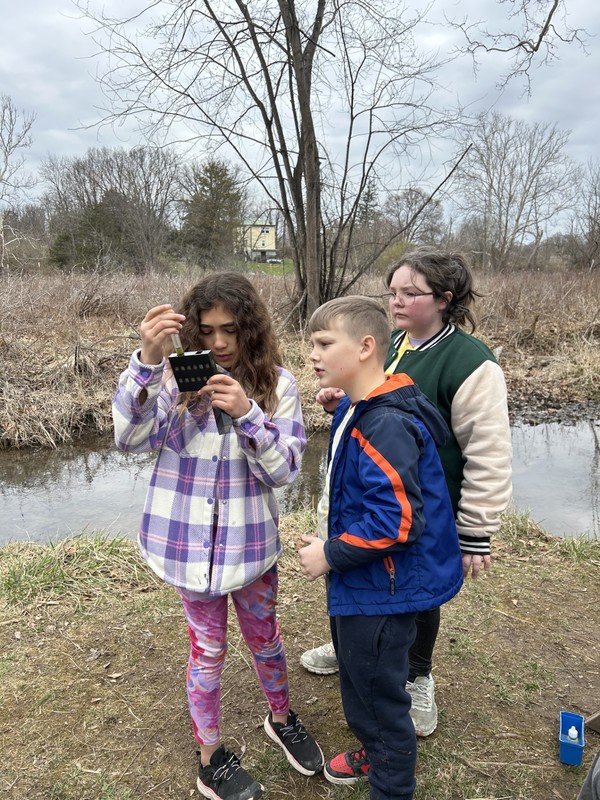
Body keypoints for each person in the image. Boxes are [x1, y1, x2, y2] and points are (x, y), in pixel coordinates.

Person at [112, 272, 323, 800]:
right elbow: (128, 439)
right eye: (206, 331)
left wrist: (248, 415)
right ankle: (210, 758)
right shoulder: (170, 382)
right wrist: (146, 359)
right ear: (192, 334)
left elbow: (285, 471)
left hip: (250, 549)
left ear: (250, 329)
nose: (220, 343)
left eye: (230, 330)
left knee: (266, 640)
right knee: (207, 651)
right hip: (187, 552)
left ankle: (281, 717)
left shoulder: (279, 385)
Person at [301, 249, 512, 739]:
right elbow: (379, 395)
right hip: (374, 497)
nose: (396, 301)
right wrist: (345, 399)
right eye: (392, 291)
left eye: (410, 293)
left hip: (429, 508)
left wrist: (476, 530)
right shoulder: (390, 343)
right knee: (372, 577)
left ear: (444, 299)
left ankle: (417, 675)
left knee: (418, 590)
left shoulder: (471, 361)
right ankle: (359, 647)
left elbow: (489, 449)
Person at [298, 295, 464, 799]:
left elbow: (396, 522)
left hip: (381, 588)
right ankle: (376, 750)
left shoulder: (384, 423)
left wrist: (329, 554)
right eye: (311, 344)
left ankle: (390, 780)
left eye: (325, 343)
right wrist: (343, 404)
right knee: (362, 682)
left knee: (377, 699)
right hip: (369, 582)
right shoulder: (367, 404)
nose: (312, 355)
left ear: (367, 346)